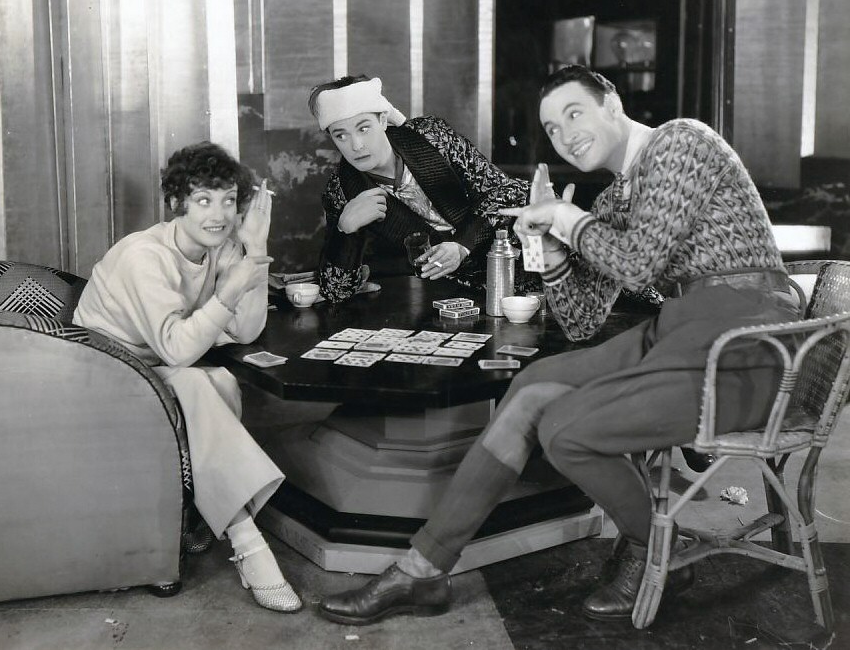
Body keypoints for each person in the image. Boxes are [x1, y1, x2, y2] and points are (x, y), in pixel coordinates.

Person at [318, 65, 797, 624]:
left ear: (612, 105)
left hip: (749, 344)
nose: (565, 135)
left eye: (575, 114)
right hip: (682, 328)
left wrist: (568, 221)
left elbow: (638, 262)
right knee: (531, 386)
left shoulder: (681, 142)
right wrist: (550, 254)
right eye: (551, 128)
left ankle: (658, 551)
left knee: (567, 433)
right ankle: (423, 570)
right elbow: (581, 318)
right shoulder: (621, 195)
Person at [73, 142, 301, 613]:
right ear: (178, 203)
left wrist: (255, 250)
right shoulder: (144, 255)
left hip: (153, 364)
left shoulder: (221, 246)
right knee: (199, 382)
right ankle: (249, 545)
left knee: (222, 382)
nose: (218, 214)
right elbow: (177, 347)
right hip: (98, 371)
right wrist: (234, 286)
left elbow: (247, 328)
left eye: (228, 200)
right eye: (203, 200)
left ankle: (204, 510)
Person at [308, 75, 530, 302]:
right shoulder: (341, 191)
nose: (356, 146)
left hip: (520, 263)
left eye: (363, 129)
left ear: (383, 120)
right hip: (451, 299)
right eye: (341, 135)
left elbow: (510, 192)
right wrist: (345, 231)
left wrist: (463, 245)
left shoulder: (432, 137)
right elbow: (334, 291)